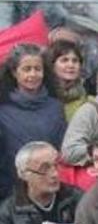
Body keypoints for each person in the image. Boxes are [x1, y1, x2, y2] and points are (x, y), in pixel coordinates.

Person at [0, 43, 66, 201]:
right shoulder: (3, 110)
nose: (33, 74)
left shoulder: (56, 107)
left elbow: (62, 149)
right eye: (26, 69)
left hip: (51, 190)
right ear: (15, 72)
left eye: (38, 69)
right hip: (11, 193)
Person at [47, 40, 92, 121]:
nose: (71, 65)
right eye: (64, 60)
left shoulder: (89, 102)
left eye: (75, 61)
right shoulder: (43, 96)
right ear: (52, 65)